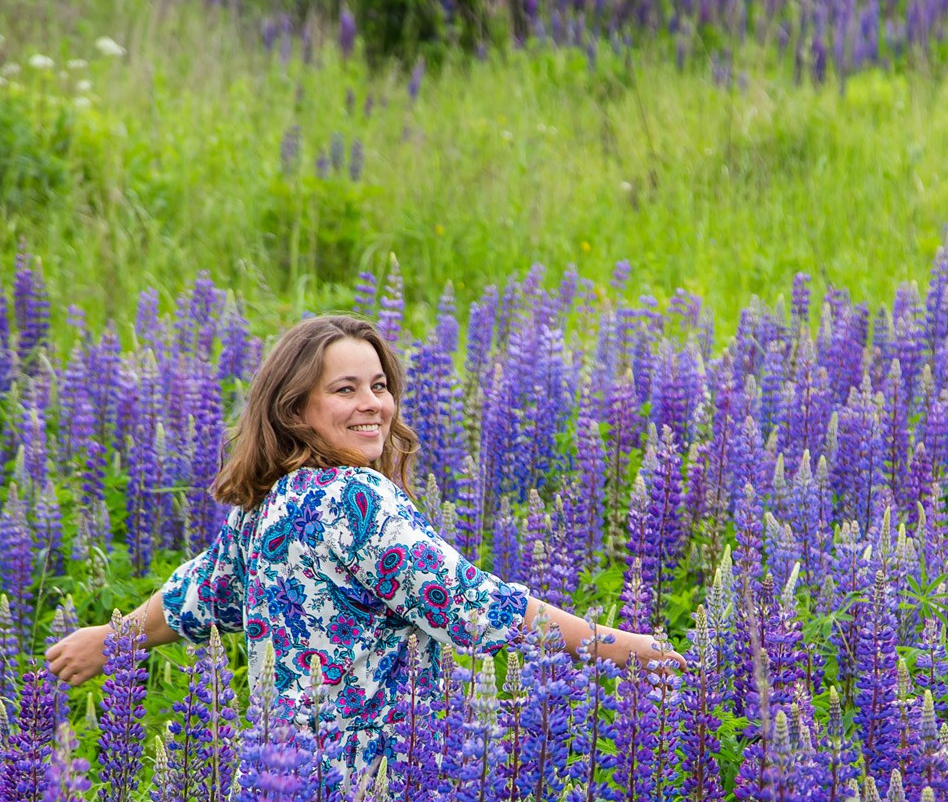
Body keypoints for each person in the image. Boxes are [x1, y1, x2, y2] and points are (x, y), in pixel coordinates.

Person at [45, 314, 675, 764]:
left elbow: (199, 597)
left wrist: (111, 639)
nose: (373, 404)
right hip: (371, 797)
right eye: (345, 390)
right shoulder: (359, 500)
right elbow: (474, 607)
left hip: (275, 794)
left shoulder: (264, 502)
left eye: (379, 386)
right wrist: (619, 646)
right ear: (296, 410)